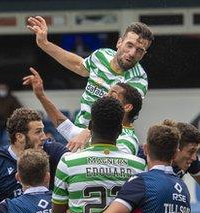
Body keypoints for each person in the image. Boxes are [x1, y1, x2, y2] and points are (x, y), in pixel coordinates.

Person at [27, 17, 152, 150]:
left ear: (143, 54)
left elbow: (118, 116)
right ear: (119, 43)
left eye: (139, 50)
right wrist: (44, 44)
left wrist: (88, 132)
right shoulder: (101, 55)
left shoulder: (138, 79)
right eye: (129, 45)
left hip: (109, 141)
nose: (132, 53)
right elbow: (78, 65)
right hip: (78, 134)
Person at [23, 67, 142, 155]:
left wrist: (88, 132)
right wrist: (41, 96)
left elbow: (111, 166)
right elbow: (67, 128)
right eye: (108, 92)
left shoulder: (128, 140)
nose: (106, 96)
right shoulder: (100, 130)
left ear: (127, 107)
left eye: (113, 94)